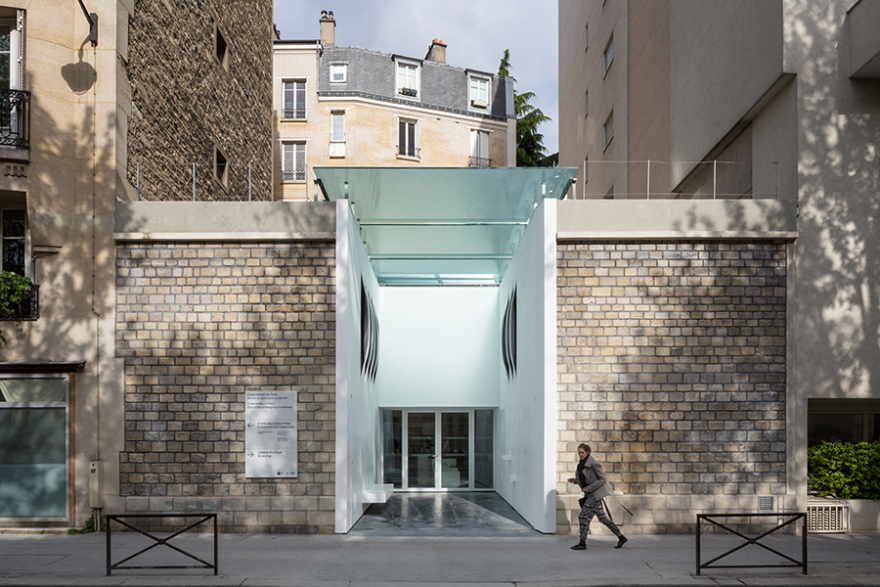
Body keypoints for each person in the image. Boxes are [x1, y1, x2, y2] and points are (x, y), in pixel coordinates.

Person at [567, 443, 627, 550]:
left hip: (594, 495)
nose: (580, 455)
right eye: (579, 453)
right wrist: (575, 480)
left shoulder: (593, 464)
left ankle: (582, 543)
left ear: (587, 452)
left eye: (582, 452)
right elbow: (584, 479)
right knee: (603, 518)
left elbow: (602, 479)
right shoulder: (580, 465)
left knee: (582, 516)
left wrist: (589, 488)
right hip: (589, 495)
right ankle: (621, 537)